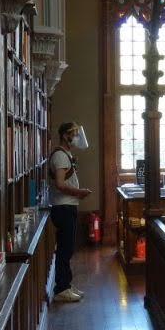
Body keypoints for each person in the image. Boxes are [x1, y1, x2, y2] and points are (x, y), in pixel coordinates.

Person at [48, 121, 92, 302]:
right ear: (65, 135)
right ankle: (61, 288)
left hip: (68, 205)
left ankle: (66, 284)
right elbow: (60, 183)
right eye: (73, 134)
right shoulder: (60, 156)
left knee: (68, 248)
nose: (76, 138)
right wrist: (79, 193)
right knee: (65, 249)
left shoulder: (65, 154)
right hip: (64, 206)